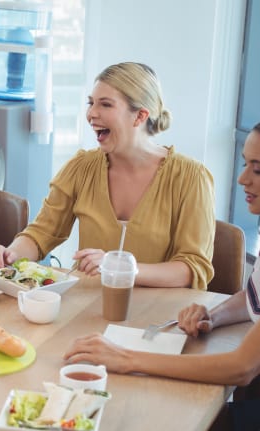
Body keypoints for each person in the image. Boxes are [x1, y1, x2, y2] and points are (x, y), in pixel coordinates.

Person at [64, 122, 260, 430]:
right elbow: (254, 297)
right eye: (244, 164)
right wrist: (215, 314)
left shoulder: (189, 175)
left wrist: (128, 359)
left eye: (257, 170)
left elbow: (242, 368)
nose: (242, 179)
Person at [0, 62, 215, 289]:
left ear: (140, 116)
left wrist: (119, 268)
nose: (91, 113)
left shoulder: (191, 178)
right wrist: (10, 255)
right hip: (88, 304)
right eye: (91, 103)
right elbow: (41, 234)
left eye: (105, 105)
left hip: (156, 313)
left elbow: (192, 268)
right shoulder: (81, 167)